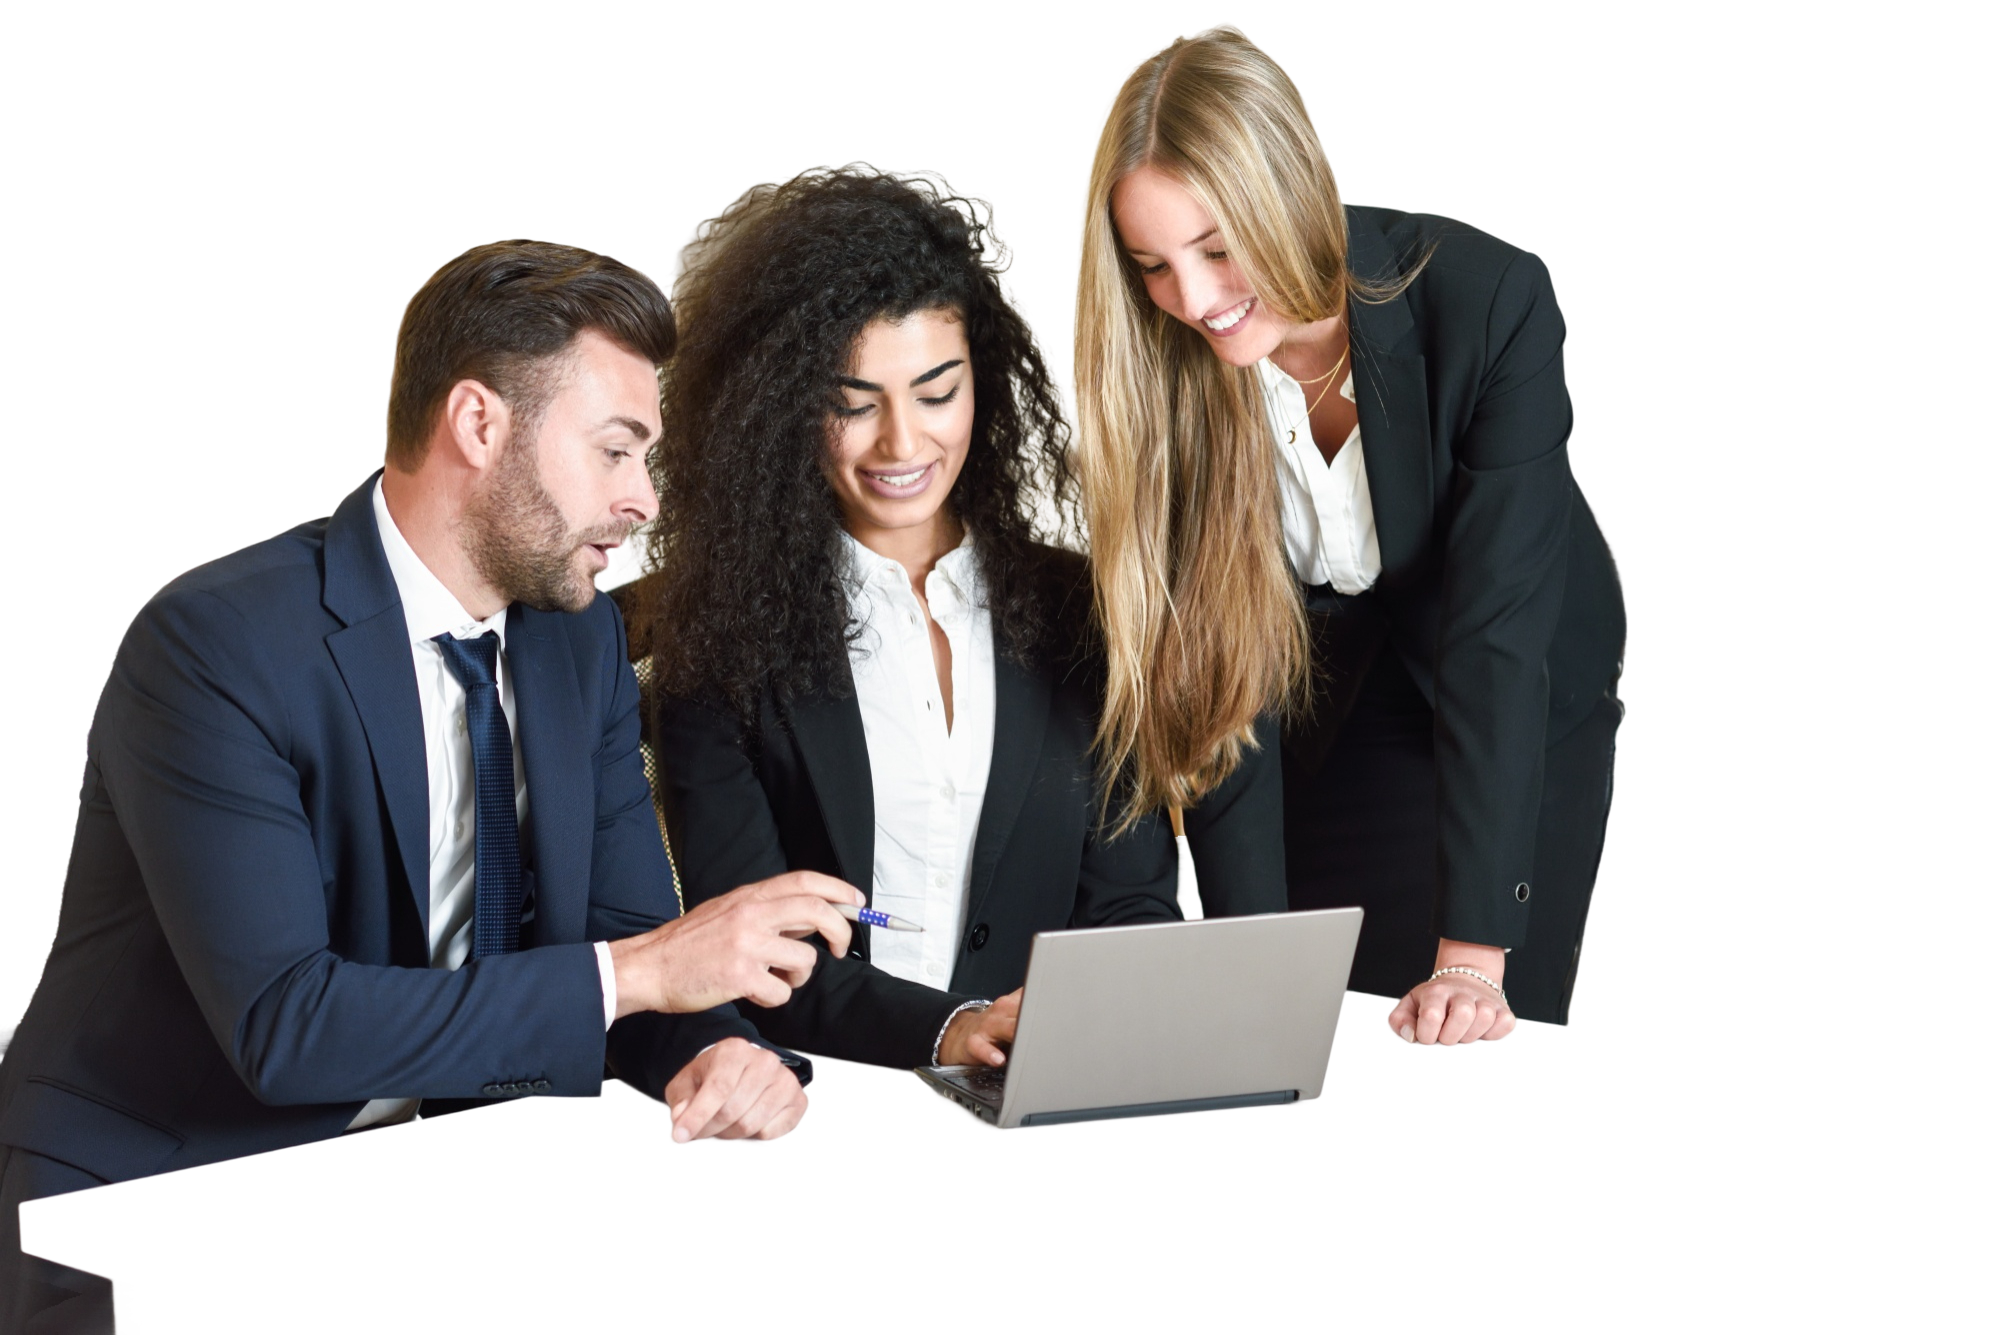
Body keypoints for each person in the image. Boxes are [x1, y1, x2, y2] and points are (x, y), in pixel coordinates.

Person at [0, 240, 867, 1330]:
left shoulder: (577, 644)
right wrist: (647, 971)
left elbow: (619, 938)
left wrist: (720, 1051)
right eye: (614, 452)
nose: (642, 500)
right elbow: (287, 1025)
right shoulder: (214, 642)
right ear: (477, 424)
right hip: (161, 1182)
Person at [1072, 24, 1627, 1045]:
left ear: (1285, 189)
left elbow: (1492, 642)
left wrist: (1468, 962)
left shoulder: (1487, 297)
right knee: (1292, 1008)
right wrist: (1249, 962)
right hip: (1319, 674)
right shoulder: (1168, 368)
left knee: (1465, 1009)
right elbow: (1223, 665)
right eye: (1151, 264)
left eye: (1214, 246)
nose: (1191, 302)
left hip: (1510, 674)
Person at [637, 165, 1183, 1073]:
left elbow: (1135, 902)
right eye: (852, 403)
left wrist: (1055, 1024)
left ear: (985, 385)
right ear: (780, 412)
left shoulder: (1079, 610)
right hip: (816, 1089)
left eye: (937, 393)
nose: (902, 443)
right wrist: (944, 1028)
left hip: (1046, 1084)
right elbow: (744, 948)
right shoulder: (722, 640)